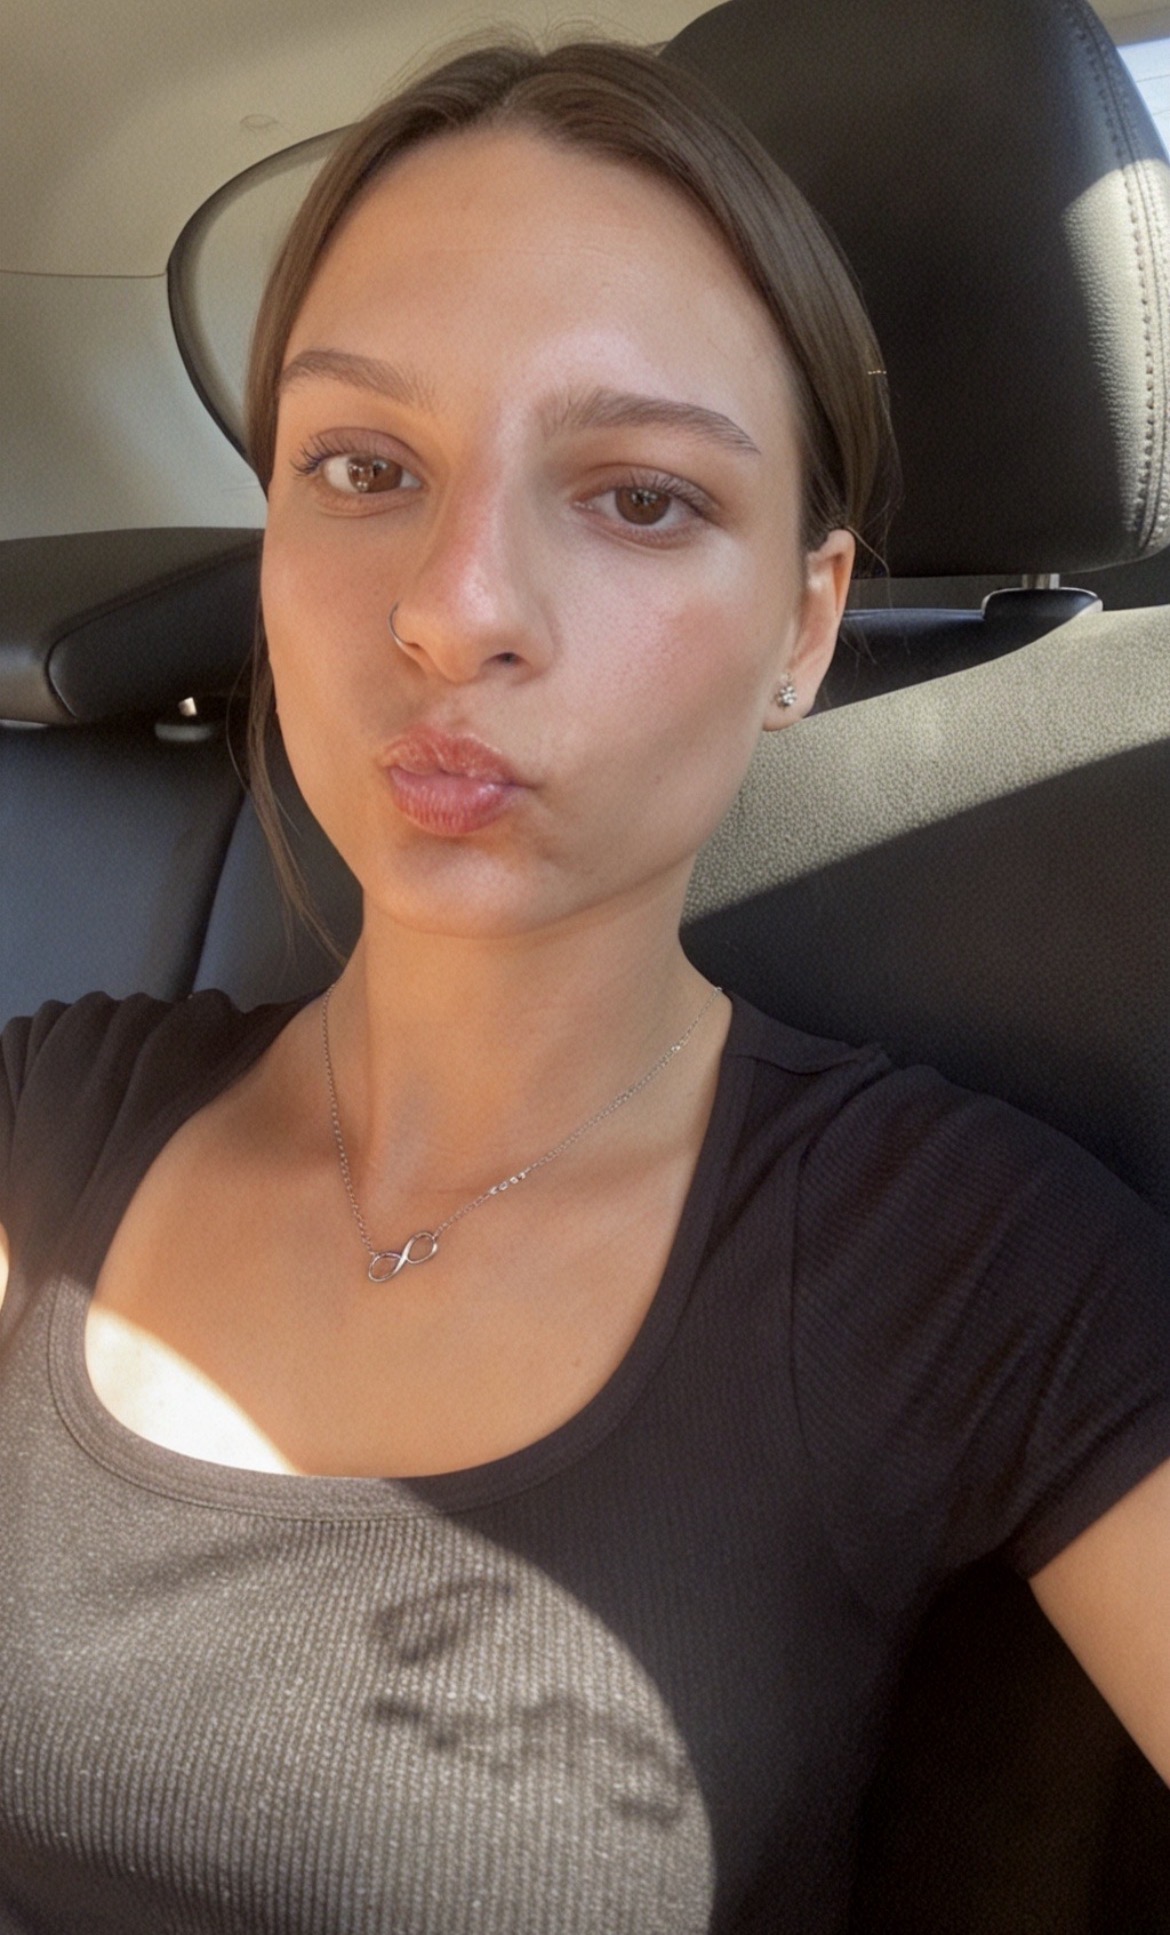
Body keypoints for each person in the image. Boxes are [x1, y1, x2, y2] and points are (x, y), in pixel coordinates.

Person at [1, 36, 1169, 1935]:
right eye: (363, 467)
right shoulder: (50, 1116)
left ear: (803, 624)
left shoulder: (953, 1261)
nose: (453, 608)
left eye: (638, 496)